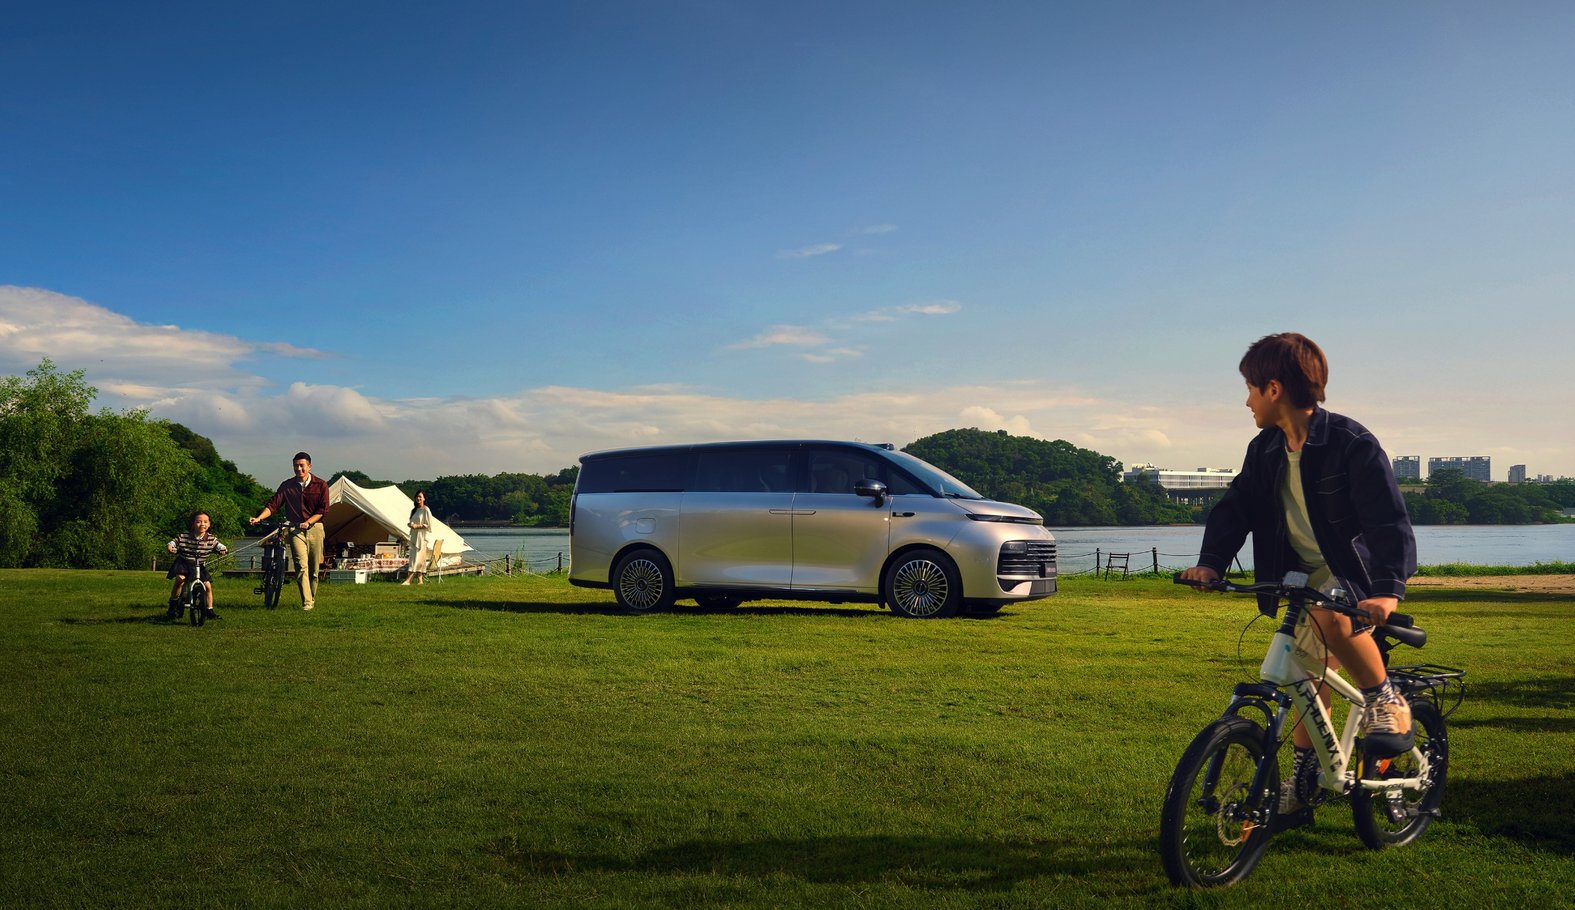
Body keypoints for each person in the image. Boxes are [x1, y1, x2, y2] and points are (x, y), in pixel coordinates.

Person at [1178, 333, 1418, 814]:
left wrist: (1388, 590)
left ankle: (1385, 698)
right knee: (1306, 678)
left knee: (1332, 619)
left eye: (1250, 389)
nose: (1247, 401)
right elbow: (1237, 507)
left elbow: (1387, 521)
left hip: (1352, 572)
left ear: (1273, 389)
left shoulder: (1350, 443)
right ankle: (1307, 781)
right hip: (1298, 572)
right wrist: (1211, 562)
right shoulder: (1265, 449)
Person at [248, 451, 330, 611]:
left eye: (302, 466)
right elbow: (273, 505)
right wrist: (258, 518)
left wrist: (308, 522)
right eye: (295, 466)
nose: (299, 469)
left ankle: (311, 597)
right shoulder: (287, 485)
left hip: (315, 528)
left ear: (309, 466)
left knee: (314, 570)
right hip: (294, 529)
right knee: (301, 565)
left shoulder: (321, 485)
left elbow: (323, 510)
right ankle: (307, 602)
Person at [167, 511, 228, 620]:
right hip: (184, 563)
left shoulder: (211, 538)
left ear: (209, 524)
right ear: (193, 523)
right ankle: (173, 604)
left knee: (207, 586)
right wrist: (171, 547)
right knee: (180, 579)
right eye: (198, 522)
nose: (202, 524)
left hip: (199, 565)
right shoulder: (184, 536)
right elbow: (173, 542)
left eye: (205, 522)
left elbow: (218, 545)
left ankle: (209, 610)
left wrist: (223, 549)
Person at [401, 490, 434, 585]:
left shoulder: (426, 510)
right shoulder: (414, 510)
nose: (418, 498)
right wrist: (410, 525)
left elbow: (428, 525)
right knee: (418, 558)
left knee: (416, 559)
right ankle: (420, 580)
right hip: (414, 536)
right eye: (417, 496)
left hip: (421, 537)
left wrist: (417, 526)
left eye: (420, 496)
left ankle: (408, 580)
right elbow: (411, 522)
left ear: (424, 498)